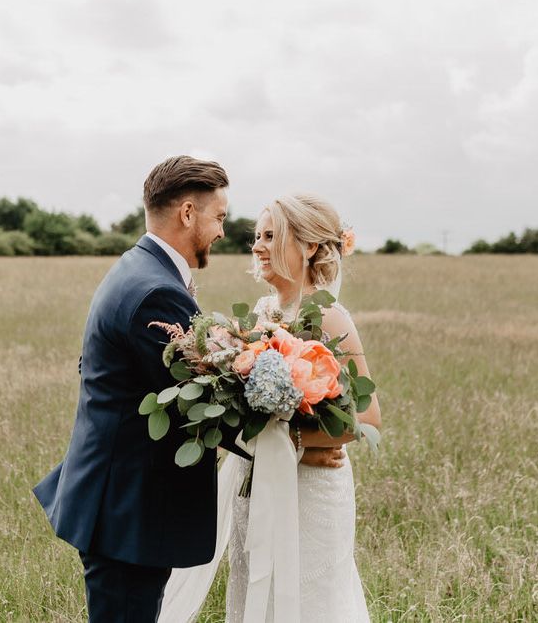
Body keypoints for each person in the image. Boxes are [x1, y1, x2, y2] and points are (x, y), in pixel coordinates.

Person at [33, 156, 248, 622]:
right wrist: (286, 419)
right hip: (128, 513)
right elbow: (204, 404)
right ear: (188, 213)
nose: (222, 232)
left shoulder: (137, 269)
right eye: (220, 217)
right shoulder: (155, 291)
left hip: (118, 504)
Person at [159, 194, 381, 622]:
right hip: (257, 481)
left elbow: (367, 419)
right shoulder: (262, 312)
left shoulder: (331, 317)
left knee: (308, 595)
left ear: (311, 246)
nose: (257, 246)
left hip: (311, 488)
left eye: (271, 236)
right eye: (256, 237)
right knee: (254, 589)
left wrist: (297, 441)